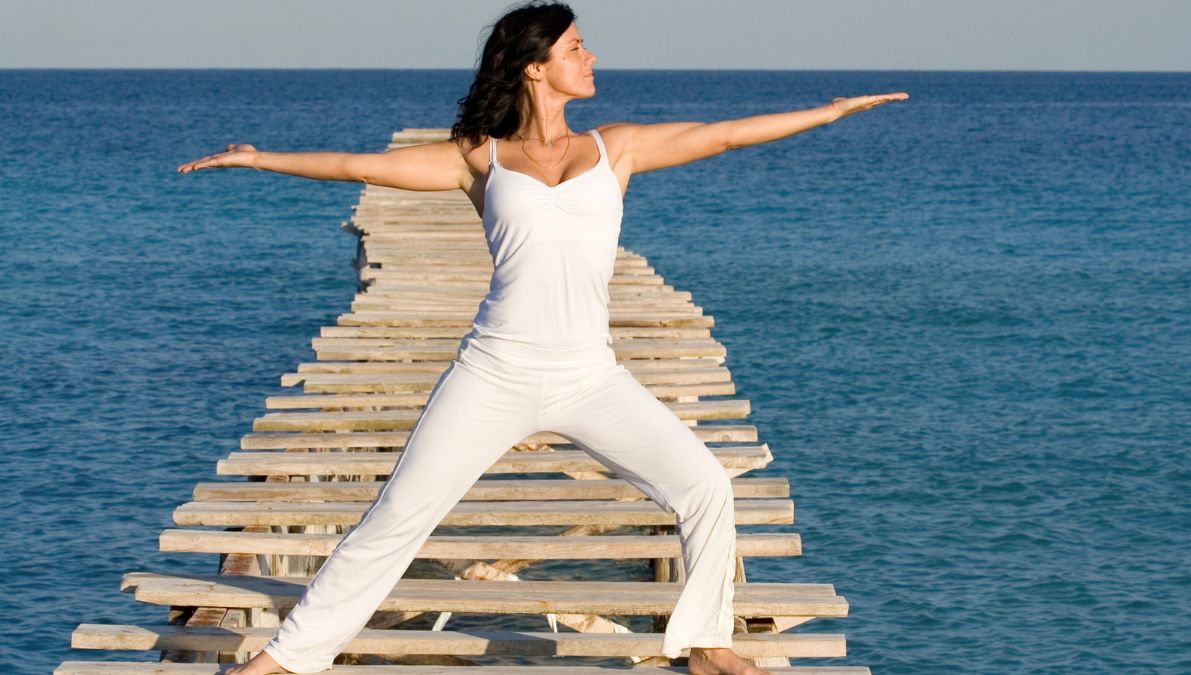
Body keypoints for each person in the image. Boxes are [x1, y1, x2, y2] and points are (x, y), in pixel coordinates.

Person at [177, 2, 906, 673]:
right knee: (397, 516)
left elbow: (721, 134)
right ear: (535, 66)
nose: (590, 58)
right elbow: (357, 166)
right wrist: (260, 157)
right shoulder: (480, 158)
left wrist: (829, 112)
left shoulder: (613, 148)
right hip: (493, 371)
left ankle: (705, 642)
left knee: (706, 484)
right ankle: (282, 662)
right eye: (575, 48)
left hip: (590, 375)